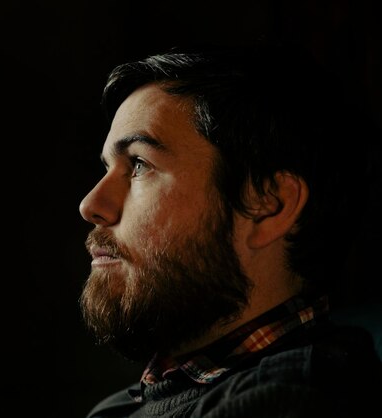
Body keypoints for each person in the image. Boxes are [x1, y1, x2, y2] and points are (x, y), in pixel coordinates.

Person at [77, 43, 382, 418]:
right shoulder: (122, 407)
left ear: (270, 206)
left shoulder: (292, 401)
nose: (90, 205)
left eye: (139, 164)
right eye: (107, 167)